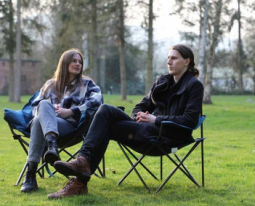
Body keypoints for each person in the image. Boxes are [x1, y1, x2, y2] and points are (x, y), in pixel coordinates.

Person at [48, 44, 203, 199]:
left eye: (174, 58)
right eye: (168, 58)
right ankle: (82, 166)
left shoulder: (194, 86)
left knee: (106, 120)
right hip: (145, 129)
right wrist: (139, 115)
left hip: (167, 136)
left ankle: (80, 178)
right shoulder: (162, 81)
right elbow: (141, 105)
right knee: (105, 110)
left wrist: (155, 119)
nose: (169, 62)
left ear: (186, 61)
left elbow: (189, 120)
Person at [20, 49, 102, 193]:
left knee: (40, 117)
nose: (78, 64)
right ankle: (51, 144)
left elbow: (96, 101)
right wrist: (51, 110)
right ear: (64, 63)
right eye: (74, 61)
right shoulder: (50, 84)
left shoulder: (87, 84)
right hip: (46, 126)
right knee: (42, 109)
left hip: (70, 126)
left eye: (80, 62)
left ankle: (30, 174)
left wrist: (71, 111)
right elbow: (35, 106)